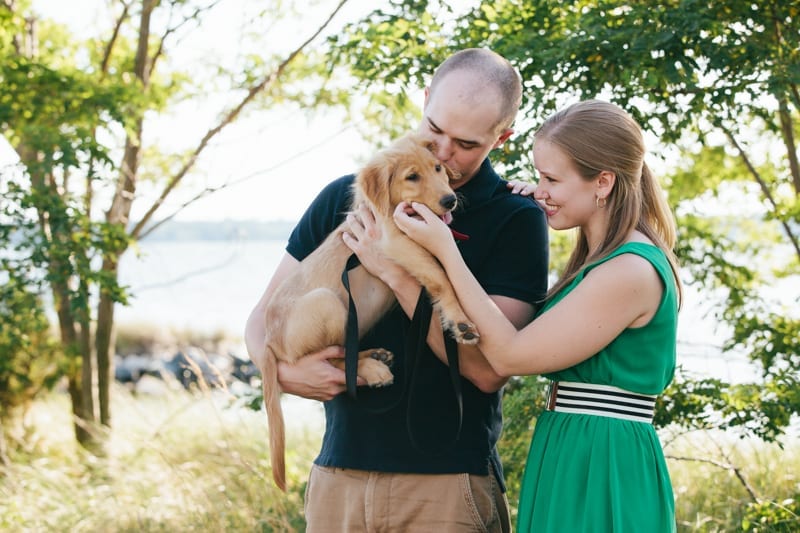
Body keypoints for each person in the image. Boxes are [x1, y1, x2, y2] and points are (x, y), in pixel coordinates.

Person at [245, 48, 550, 532]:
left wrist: (395, 272)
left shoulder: (515, 218)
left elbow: (487, 369)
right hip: (339, 474)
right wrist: (285, 370)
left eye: (466, 144)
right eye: (434, 130)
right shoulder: (347, 196)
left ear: (502, 137)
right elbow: (263, 319)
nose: (442, 154)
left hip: (445, 484)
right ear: (426, 100)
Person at [352, 99, 682, 532]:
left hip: (603, 458)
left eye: (551, 178)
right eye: (538, 176)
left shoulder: (630, 269)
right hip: (572, 444)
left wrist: (445, 250)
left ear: (602, 182)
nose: (538, 188)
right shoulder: (604, 260)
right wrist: (551, 197)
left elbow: (508, 356)